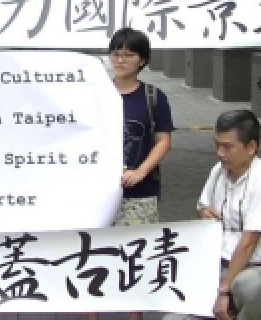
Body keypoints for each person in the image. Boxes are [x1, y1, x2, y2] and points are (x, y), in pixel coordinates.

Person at [165, 109, 261, 320]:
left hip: (255, 269)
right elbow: (203, 206)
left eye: (227, 147)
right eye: (217, 145)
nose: (220, 153)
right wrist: (205, 213)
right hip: (217, 264)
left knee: (251, 286)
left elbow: (249, 243)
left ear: (251, 147)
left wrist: (224, 291)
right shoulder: (218, 171)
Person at [92, 27, 174, 320]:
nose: (120, 60)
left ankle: (134, 315)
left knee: (135, 257)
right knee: (93, 254)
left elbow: (163, 140)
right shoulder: (95, 94)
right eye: (116, 53)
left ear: (143, 60)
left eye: (128, 54)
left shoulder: (153, 97)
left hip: (139, 192)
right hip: (97, 192)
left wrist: (141, 171)